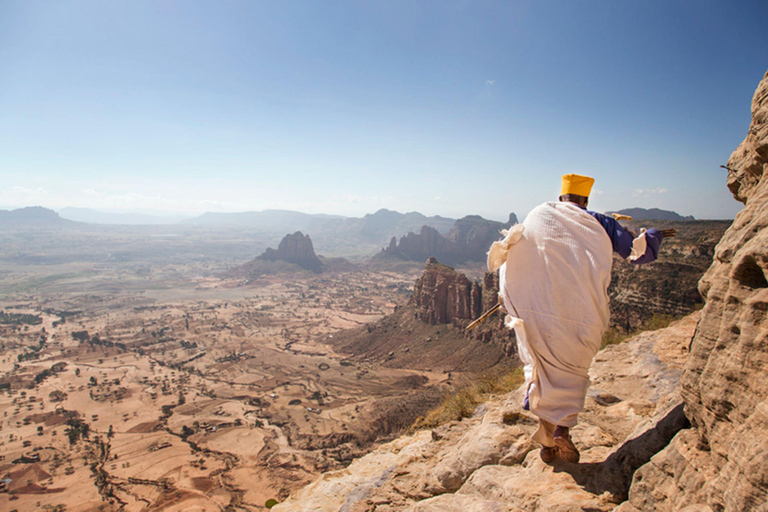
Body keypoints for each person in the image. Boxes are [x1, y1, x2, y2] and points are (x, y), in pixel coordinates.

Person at [486, 174, 676, 463]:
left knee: (542, 369)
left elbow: (515, 252)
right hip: (579, 314)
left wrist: (513, 297)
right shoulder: (602, 222)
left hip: (537, 311)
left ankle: (548, 443)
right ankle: (561, 430)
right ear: (585, 200)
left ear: (562, 197)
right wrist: (654, 235)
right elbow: (638, 253)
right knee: (572, 374)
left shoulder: (539, 214)